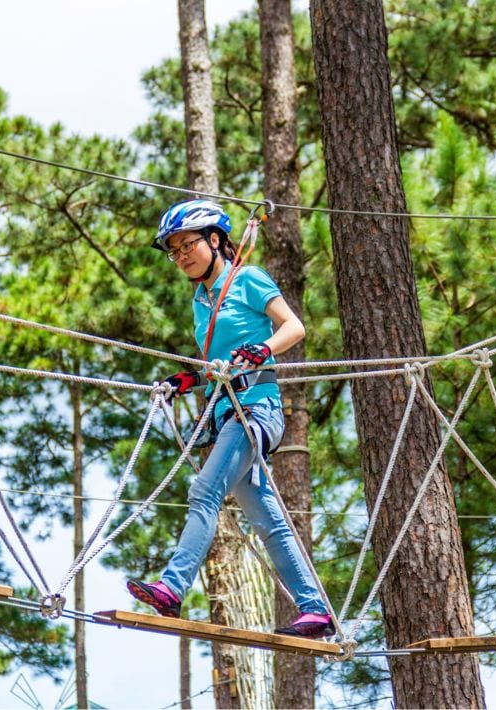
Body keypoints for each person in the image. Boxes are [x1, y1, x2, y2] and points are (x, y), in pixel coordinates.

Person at [125, 199, 334, 638]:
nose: (181, 256)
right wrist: (190, 380)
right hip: (225, 414)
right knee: (267, 519)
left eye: (188, 245)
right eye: (174, 251)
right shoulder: (201, 300)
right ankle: (316, 608)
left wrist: (265, 349)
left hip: (257, 409)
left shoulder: (248, 280)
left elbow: (294, 328)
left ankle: (173, 585)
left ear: (215, 240)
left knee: (204, 490)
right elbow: (218, 366)